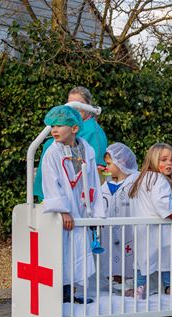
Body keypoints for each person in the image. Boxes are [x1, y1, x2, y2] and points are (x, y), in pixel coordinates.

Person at [41, 105, 106, 304]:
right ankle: (59, 293)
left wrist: (97, 212)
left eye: (59, 126)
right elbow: (51, 183)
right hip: (65, 212)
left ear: (74, 129)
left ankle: (72, 292)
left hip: (82, 208)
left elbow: (93, 179)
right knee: (63, 251)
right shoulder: (52, 153)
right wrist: (63, 211)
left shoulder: (86, 148)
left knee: (79, 251)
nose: (54, 130)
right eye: (52, 126)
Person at [128, 143, 172, 299]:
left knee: (143, 261)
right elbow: (162, 204)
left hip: (142, 230)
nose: (169, 164)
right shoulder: (159, 179)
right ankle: (171, 288)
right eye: (164, 160)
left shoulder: (141, 178)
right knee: (166, 261)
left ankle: (139, 289)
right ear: (153, 160)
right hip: (157, 230)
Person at [34, 86, 108, 201]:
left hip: (72, 196)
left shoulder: (93, 132)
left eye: (79, 104)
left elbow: (97, 172)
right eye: (71, 104)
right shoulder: (63, 126)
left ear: (88, 106)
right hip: (49, 190)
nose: (75, 109)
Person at [100, 143, 139, 286]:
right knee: (110, 256)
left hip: (129, 230)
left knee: (128, 257)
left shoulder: (136, 180)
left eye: (109, 164)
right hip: (109, 231)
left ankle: (128, 281)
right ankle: (113, 280)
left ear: (121, 162)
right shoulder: (106, 184)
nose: (106, 167)